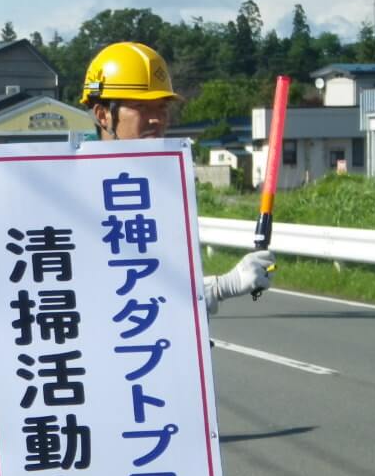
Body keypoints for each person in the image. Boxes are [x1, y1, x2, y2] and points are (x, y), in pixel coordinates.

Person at [81, 41, 274, 313]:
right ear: (103, 115)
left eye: (161, 109)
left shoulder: (166, 186)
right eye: (141, 107)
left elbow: (161, 287)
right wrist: (220, 287)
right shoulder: (72, 189)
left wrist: (213, 290)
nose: (156, 119)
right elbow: (99, 294)